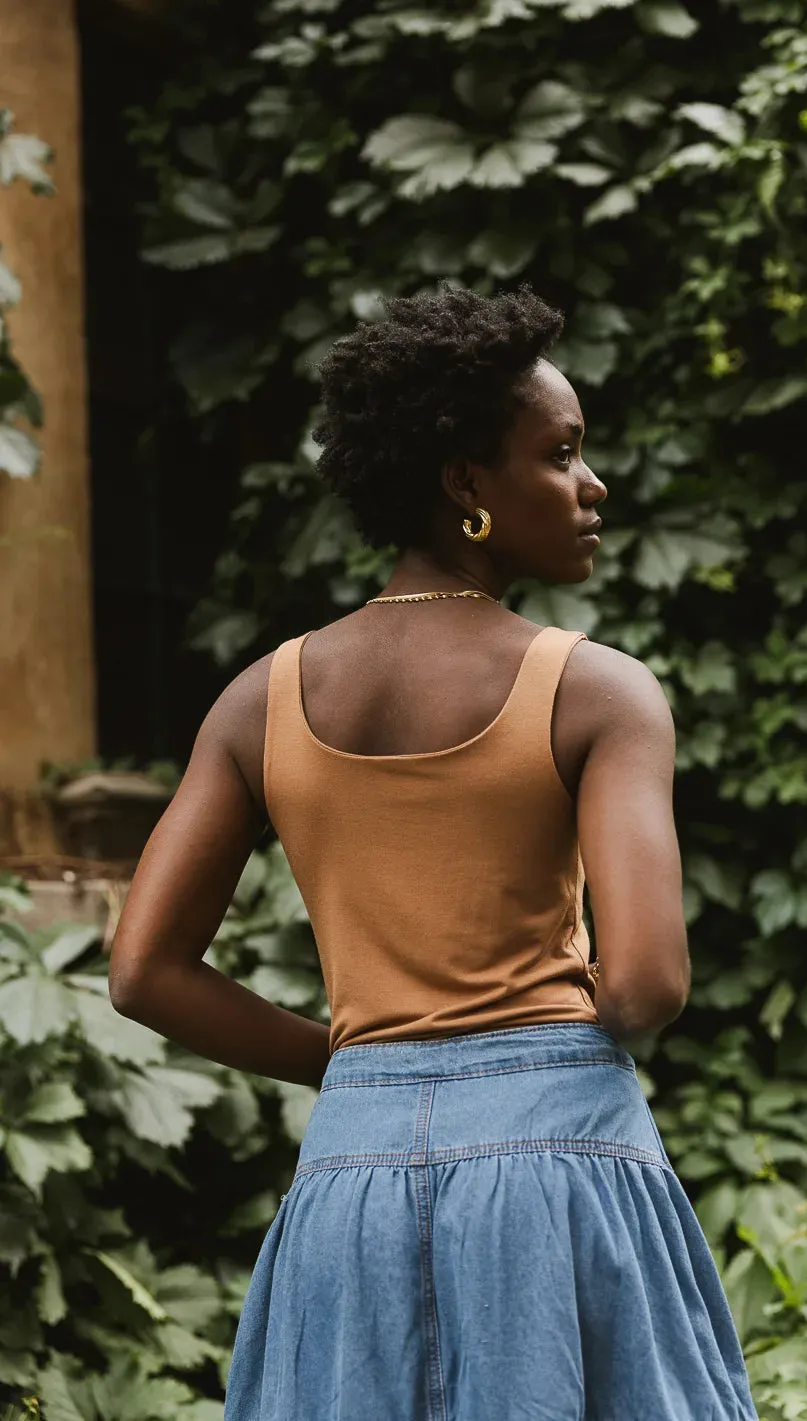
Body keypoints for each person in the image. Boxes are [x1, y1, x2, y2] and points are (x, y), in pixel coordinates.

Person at [108, 283, 758, 1420]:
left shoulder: (257, 700)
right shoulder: (596, 689)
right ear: (467, 484)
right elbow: (647, 982)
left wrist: (359, 1062)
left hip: (348, 1176)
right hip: (559, 1163)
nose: (593, 486)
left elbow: (143, 971)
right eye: (561, 455)